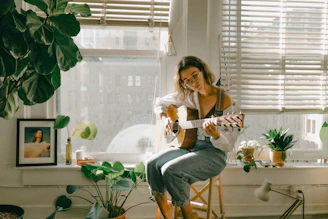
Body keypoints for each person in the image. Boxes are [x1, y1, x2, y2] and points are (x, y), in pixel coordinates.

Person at [146, 56, 241, 219]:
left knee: (170, 170)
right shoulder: (190, 97)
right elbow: (160, 103)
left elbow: (227, 147)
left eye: (194, 75)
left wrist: (216, 135)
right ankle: (166, 214)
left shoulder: (224, 100)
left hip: (214, 154)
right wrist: (165, 118)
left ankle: (190, 216)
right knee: (151, 164)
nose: (192, 83)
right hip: (190, 147)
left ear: (203, 70)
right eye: (186, 80)